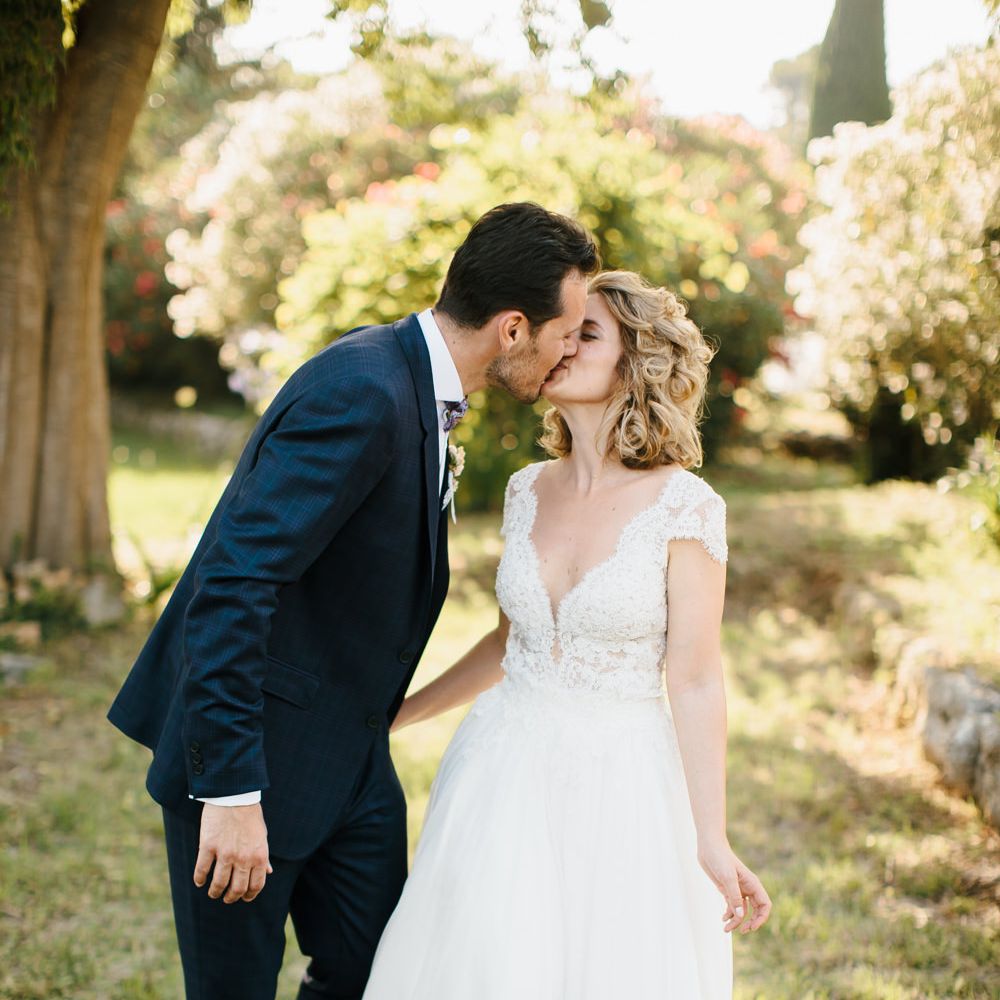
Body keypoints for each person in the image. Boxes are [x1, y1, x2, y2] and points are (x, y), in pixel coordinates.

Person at [106, 202, 600, 1000]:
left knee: (381, 977)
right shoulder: (366, 390)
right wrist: (231, 793)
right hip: (253, 763)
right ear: (512, 328)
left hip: (353, 765)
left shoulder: (419, 389)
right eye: (566, 330)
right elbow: (232, 584)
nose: (569, 349)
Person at [362, 269, 772, 999]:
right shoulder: (527, 489)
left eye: (589, 333)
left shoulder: (686, 507)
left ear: (637, 360)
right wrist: (396, 716)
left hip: (620, 783)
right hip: (499, 771)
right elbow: (507, 644)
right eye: (565, 329)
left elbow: (698, 678)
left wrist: (711, 836)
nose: (564, 344)